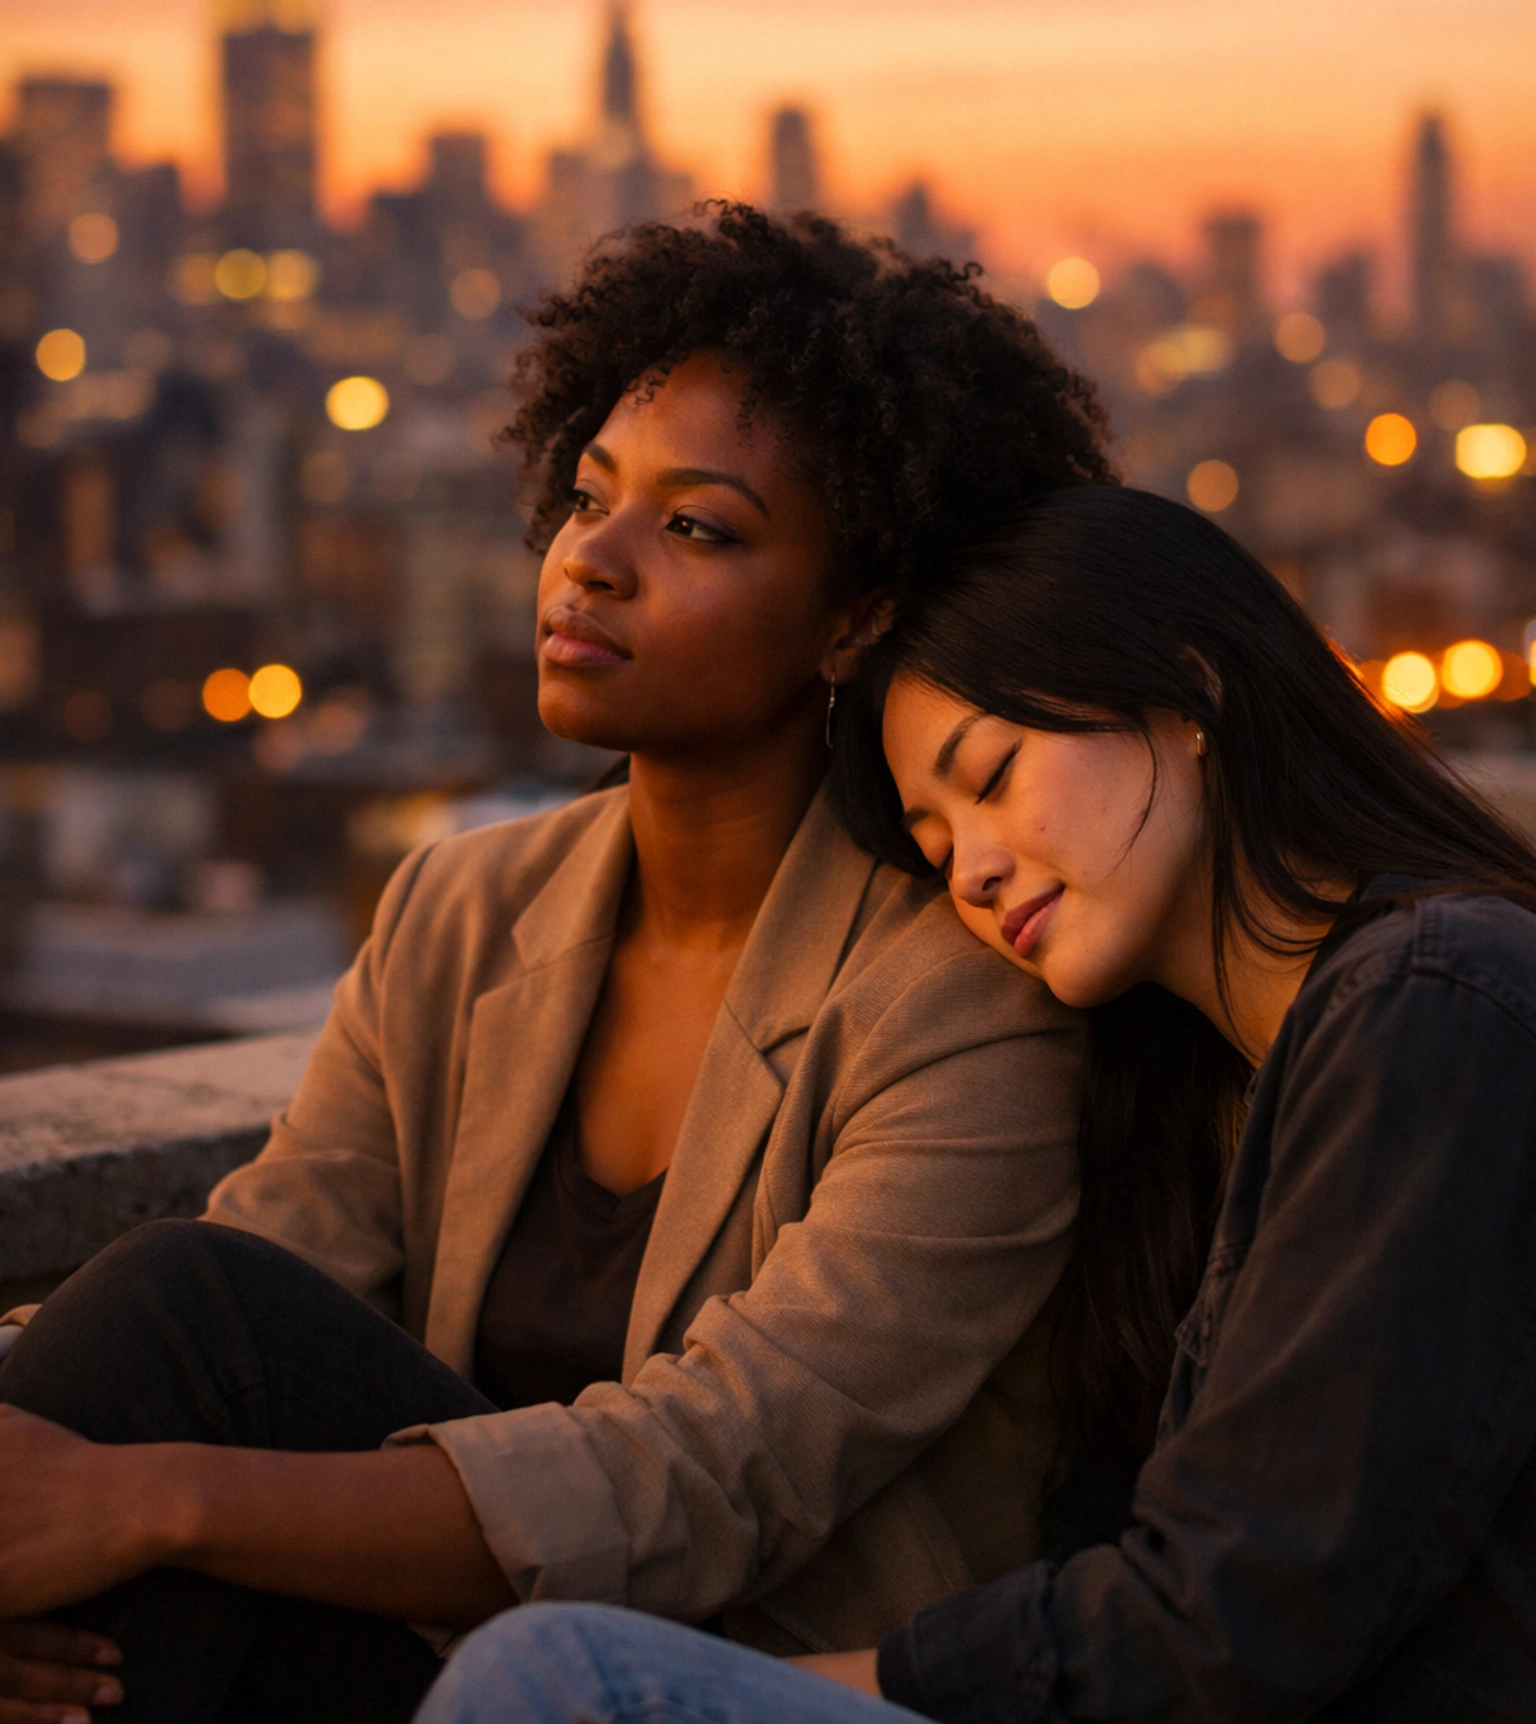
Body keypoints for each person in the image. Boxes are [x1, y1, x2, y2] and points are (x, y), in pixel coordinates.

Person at [0, 205, 1110, 1724]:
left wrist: (150, 1504)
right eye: (590, 497)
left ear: (855, 617)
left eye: (696, 528)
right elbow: (279, 1272)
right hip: (428, 1655)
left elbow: (720, 1476)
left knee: (177, 1343)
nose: (591, 560)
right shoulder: (465, 906)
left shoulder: (962, 1000)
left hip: (733, 1674)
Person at [412, 482, 1536, 1724]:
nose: (978, 870)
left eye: (992, 776)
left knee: (554, 1679)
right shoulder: (1214, 1106)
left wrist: (762, 1694)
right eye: (937, 847)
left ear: (1192, 688)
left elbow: (1239, 1616)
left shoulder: (1435, 1003)